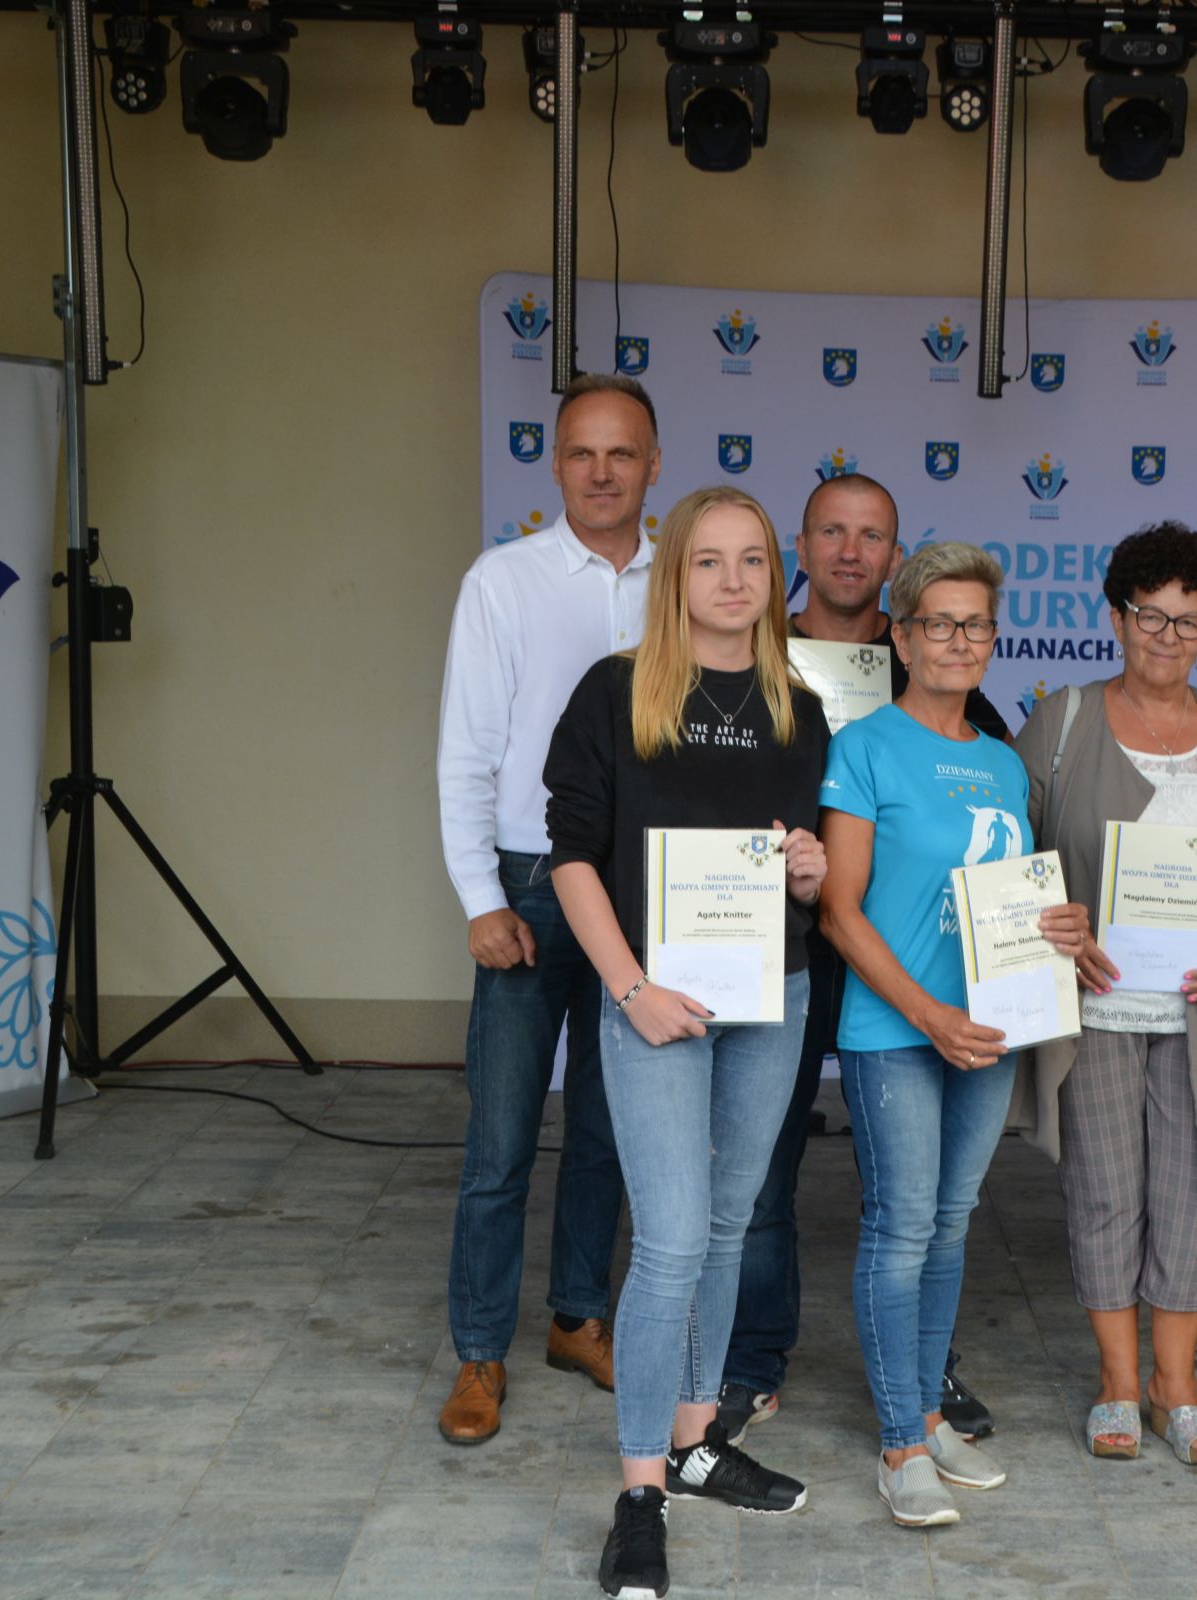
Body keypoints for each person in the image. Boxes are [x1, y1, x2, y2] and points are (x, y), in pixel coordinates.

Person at [544, 485, 832, 1600]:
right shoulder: (616, 692)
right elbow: (573, 855)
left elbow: (804, 863)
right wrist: (629, 988)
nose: (731, 580)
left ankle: (697, 1438)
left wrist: (807, 870)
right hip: (651, 1002)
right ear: (675, 575)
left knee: (726, 1223)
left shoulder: (801, 708)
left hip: (772, 994)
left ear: (773, 574)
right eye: (708, 560)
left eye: (751, 559)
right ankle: (639, 1494)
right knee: (668, 1241)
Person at [719, 474, 1006, 1445]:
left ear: (894, 558)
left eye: (871, 535)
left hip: (905, 951)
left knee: (926, 1203)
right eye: (832, 532)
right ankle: (753, 1359)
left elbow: (988, 805)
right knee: (763, 1162)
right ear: (800, 547)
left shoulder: (934, 660)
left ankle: (926, 1367)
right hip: (778, 939)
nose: (850, 551)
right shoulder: (753, 657)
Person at [817, 541, 1093, 1528]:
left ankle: (930, 1415)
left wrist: (1063, 926)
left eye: (975, 623)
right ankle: (899, 1443)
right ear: (901, 636)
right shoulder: (864, 748)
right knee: (899, 1227)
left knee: (949, 1221)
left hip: (987, 1029)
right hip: (897, 1030)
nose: (958, 640)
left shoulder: (1003, 763)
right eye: (938, 623)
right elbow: (839, 910)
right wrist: (926, 1013)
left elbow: (1015, 899)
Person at [1010, 523, 1197, 1467]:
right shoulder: (1062, 723)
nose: (1169, 638)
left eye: (1189, 621)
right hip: (1097, 1009)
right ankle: (1118, 1383)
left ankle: (1178, 1385)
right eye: (1150, 616)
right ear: (1117, 617)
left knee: (1196, 1197)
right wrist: (1057, 922)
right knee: (1103, 1195)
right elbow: (1011, 854)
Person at [434, 373, 659, 1446]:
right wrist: (480, 897)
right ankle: (480, 1349)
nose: (602, 472)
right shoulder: (503, 580)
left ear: (653, 464)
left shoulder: (686, 577)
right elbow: (466, 750)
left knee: (610, 1131)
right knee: (502, 1139)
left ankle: (577, 1318)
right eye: (582, 452)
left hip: (640, 888)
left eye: (622, 453)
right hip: (528, 885)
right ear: (556, 462)